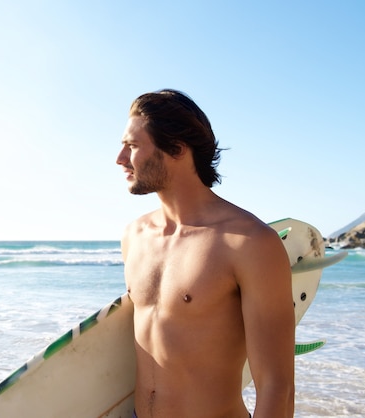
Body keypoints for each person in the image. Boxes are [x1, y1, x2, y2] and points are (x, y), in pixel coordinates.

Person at [116, 89, 295, 418]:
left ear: (178, 149)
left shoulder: (249, 243)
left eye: (133, 146)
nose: (120, 159)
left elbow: (276, 386)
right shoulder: (134, 237)